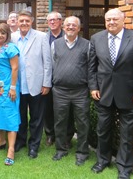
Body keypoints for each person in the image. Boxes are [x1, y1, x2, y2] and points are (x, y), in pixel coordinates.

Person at [89, 8, 133, 179]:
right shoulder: (96, 38)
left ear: (123, 20)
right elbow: (92, 66)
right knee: (102, 130)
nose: (111, 22)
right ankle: (103, 160)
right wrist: (93, 87)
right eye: (108, 19)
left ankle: (124, 168)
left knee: (126, 134)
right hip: (103, 94)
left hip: (130, 95)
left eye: (115, 19)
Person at [11, 9, 52, 159]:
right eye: (21, 21)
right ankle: (21, 141)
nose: (24, 23)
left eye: (27, 21)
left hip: (36, 84)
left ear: (31, 22)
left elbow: (47, 62)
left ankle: (34, 145)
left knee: (36, 118)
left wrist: (47, 83)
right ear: (17, 22)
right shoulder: (12, 37)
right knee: (20, 116)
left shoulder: (41, 37)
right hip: (19, 85)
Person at [50, 16, 90, 166]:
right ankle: (61, 149)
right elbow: (53, 64)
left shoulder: (87, 45)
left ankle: (82, 153)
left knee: (82, 123)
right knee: (60, 121)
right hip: (60, 90)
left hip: (80, 91)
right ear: (64, 27)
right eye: (68, 25)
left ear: (79, 28)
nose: (71, 27)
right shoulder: (55, 44)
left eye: (74, 25)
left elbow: (90, 67)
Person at [0, 23, 20, 166]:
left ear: (7, 35)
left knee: (10, 116)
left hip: (8, 88)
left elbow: (15, 68)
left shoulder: (11, 48)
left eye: (3, 33)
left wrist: (12, 88)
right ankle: (1, 141)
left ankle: (11, 150)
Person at [44, 11, 75, 147]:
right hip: (48, 80)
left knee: (67, 110)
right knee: (48, 108)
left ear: (61, 22)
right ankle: (50, 134)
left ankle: (67, 137)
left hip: (65, 80)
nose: (52, 22)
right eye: (49, 20)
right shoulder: (43, 38)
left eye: (55, 20)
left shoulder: (68, 36)